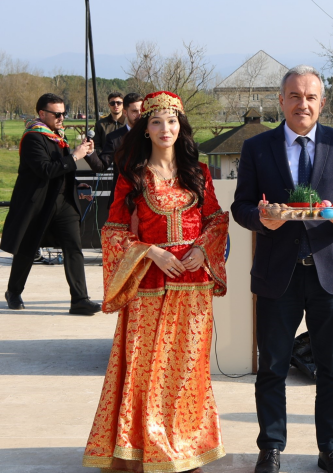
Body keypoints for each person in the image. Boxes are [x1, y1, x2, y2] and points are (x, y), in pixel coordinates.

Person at [83, 91, 231, 471]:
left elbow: (216, 219)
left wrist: (201, 248)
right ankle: (146, 449)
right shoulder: (133, 176)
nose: (166, 129)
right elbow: (114, 231)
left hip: (194, 289)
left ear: (181, 126)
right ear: (145, 129)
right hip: (149, 288)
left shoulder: (197, 172)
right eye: (156, 122)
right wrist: (151, 252)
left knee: (187, 371)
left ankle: (184, 446)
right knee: (146, 370)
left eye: (172, 121)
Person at [231, 65, 333, 473]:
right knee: (272, 366)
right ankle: (271, 447)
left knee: (331, 366)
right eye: (294, 96)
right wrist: (261, 220)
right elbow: (240, 206)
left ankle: (331, 448)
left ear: (322, 103)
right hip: (278, 274)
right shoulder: (258, 148)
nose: (302, 103)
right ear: (281, 101)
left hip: (331, 273)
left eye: (310, 97)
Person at [0, 93, 100, 315]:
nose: (62, 117)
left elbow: (65, 168)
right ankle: (13, 292)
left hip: (64, 203)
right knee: (27, 249)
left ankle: (80, 299)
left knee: (74, 248)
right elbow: (46, 170)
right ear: (42, 113)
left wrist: (83, 154)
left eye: (64, 113)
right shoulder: (33, 138)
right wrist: (74, 157)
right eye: (57, 114)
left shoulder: (57, 136)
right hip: (40, 204)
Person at [99, 92, 144, 170]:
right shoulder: (114, 138)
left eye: (142, 110)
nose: (139, 114)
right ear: (125, 113)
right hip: (122, 181)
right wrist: (89, 153)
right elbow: (102, 165)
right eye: (135, 111)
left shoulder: (152, 134)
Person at [91, 91, 125, 158]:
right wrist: (104, 157)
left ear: (123, 104)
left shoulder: (129, 123)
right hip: (107, 162)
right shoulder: (100, 124)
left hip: (126, 163)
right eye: (112, 103)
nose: (116, 105)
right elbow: (96, 145)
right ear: (109, 105)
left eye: (119, 103)